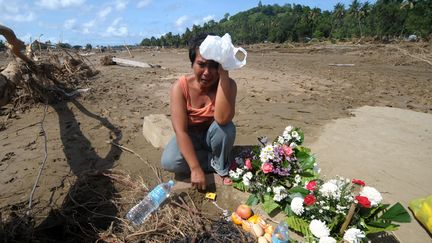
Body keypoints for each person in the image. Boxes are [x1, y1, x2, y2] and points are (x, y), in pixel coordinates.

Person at [161, 33, 237, 191]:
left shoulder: (228, 85)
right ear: (192, 64)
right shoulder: (180, 88)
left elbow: (223, 119)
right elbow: (180, 131)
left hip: (212, 136)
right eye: (201, 64)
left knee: (226, 128)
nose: (207, 72)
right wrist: (195, 168)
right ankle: (213, 161)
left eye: (214, 65)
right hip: (190, 136)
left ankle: (220, 166)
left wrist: (224, 76)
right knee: (169, 161)